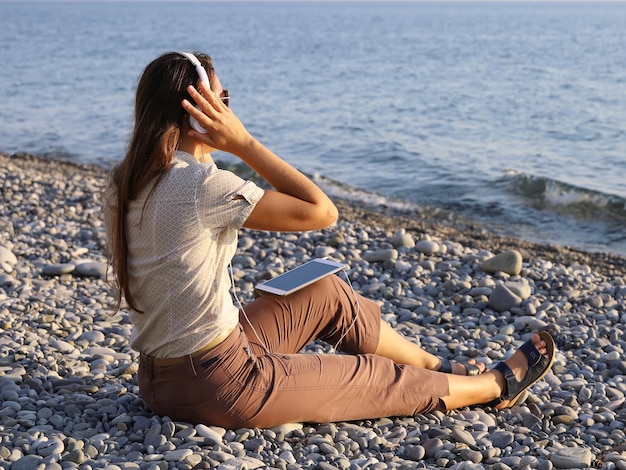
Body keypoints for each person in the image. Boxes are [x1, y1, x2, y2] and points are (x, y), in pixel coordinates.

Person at [103, 51, 555, 429]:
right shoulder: (203, 186)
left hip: (161, 377)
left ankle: (437, 368)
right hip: (222, 385)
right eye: (222, 100)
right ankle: (495, 387)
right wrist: (243, 142)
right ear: (199, 113)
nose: (229, 109)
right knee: (374, 377)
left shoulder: (127, 180)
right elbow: (322, 212)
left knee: (323, 291)